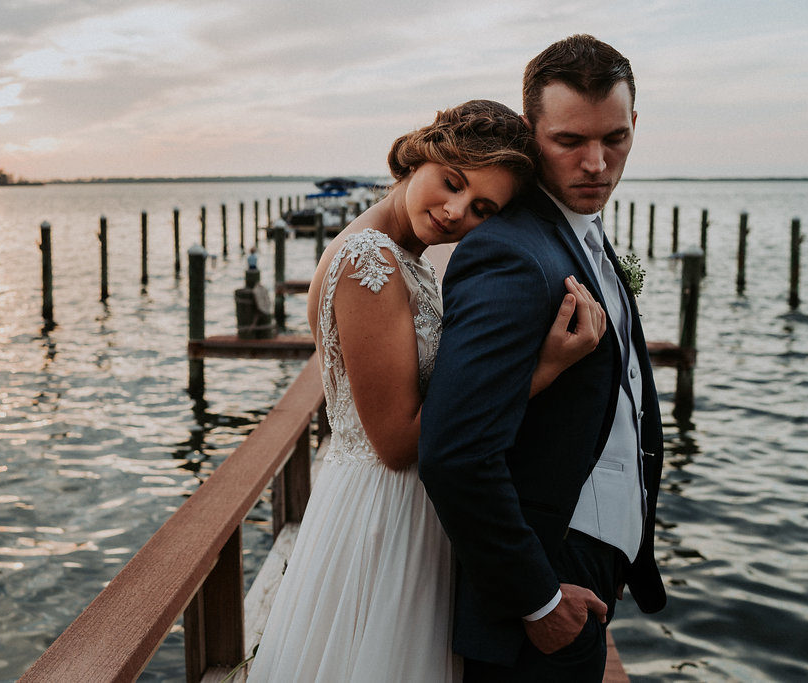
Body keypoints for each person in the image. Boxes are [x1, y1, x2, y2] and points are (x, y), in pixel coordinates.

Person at [247, 100, 606, 682]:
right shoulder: (373, 263)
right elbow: (395, 440)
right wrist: (541, 370)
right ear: (421, 155)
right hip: (386, 513)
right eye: (452, 182)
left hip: (392, 504)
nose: (455, 211)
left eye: (483, 209)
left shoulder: (392, 252)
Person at [419, 35, 667, 681]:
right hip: (547, 576)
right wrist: (539, 600)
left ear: (635, 123)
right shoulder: (509, 254)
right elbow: (455, 450)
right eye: (569, 141)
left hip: (591, 566)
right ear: (531, 133)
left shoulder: (579, 233)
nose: (595, 162)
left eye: (614, 137)